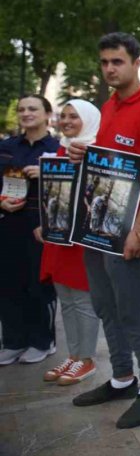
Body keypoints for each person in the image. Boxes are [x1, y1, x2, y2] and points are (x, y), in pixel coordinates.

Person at [69, 32, 140, 430]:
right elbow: (111, 163)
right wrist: (85, 154)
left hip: (130, 231)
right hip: (98, 227)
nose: (110, 68)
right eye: (104, 62)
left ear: (136, 63)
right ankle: (122, 378)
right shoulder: (108, 106)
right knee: (105, 304)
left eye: (117, 61)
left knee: (133, 309)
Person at [38, 99, 103, 386]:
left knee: (82, 300)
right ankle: (73, 355)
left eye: (74, 116)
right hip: (59, 237)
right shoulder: (61, 151)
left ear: (88, 119)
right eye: (63, 115)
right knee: (65, 298)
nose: (66, 121)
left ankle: (86, 359)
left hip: (82, 239)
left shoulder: (96, 151)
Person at [0, 95, 59, 365]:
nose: (26, 113)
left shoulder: (58, 150)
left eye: (33, 108)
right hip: (8, 225)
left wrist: (47, 172)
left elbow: (72, 187)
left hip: (41, 228)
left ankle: (42, 341)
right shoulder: (6, 147)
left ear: (47, 114)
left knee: (39, 285)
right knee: (8, 284)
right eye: (22, 109)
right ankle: (13, 342)